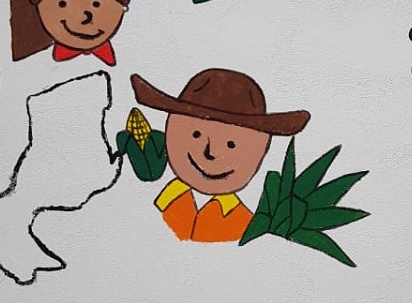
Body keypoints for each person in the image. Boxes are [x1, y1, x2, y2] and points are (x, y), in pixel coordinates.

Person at [129, 68, 310, 243]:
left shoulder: (242, 224)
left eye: (231, 145)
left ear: (262, 148)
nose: (211, 153)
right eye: (196, 135)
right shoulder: (159, 202)